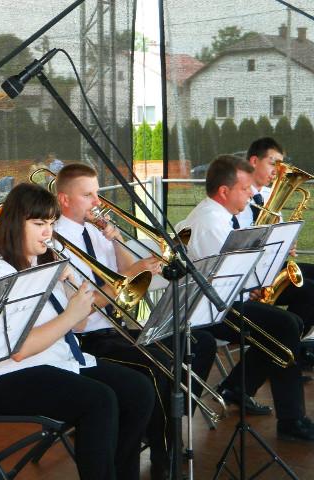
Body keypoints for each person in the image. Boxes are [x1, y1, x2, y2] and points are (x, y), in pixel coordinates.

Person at [0, 183, 154, 480]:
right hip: (4, 377)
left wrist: (68, 284)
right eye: (39, 224)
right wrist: (70, 314)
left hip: (55, 360)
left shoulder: (38, 260)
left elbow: (77, 325)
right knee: (99, 400)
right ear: (15, 223)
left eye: (52, 223)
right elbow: (19, 351)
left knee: (139, 389)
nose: (48, 232)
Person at [53, 163, 217, 479]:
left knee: (199, 342)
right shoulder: (58, 243)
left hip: (120, 328)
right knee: (157, 368)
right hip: (89, 338)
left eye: (97, 193)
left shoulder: (96, 231)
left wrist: (116, 241)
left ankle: (162, 423)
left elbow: (134, 286)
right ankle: (163, 454)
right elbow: (85, 307)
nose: (97, 202)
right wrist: (130, 272)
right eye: (88, 195)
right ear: (64, 199)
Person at [176, 155, 314, 441]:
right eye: (244, 188)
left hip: (225, 299)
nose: (251, 194)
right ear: (224, 191)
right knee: (286, 325)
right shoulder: (211, 223)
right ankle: (291, 420)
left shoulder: (221, 215)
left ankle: (243, 386)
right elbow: (228, 282)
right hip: (211, 309)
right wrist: (259, 280)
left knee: (287, 322)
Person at [236, 137, 314, 338]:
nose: (277, 171)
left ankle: (294, 338)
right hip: (249, 274)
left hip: (270, 267)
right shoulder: (237, 197)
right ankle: (285, 341)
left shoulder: (272, 194)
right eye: (273, 164)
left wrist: (287, 243)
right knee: (310, 291)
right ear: (254, 161)